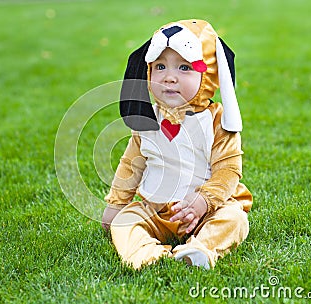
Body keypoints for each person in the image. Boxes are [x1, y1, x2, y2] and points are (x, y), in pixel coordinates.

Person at [101, 19, 253, 270]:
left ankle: (201, 248)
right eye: (160, 66)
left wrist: (204, 201)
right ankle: (146, 254)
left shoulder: (216, 121)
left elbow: (228, 171)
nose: (169, 78)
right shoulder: (147, 119)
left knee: (234, 218)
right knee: (125, 221)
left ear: (209, 75)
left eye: (184, 67)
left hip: (205, 212)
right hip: (157, 212)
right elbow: (131, 165)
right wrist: (116, 204)